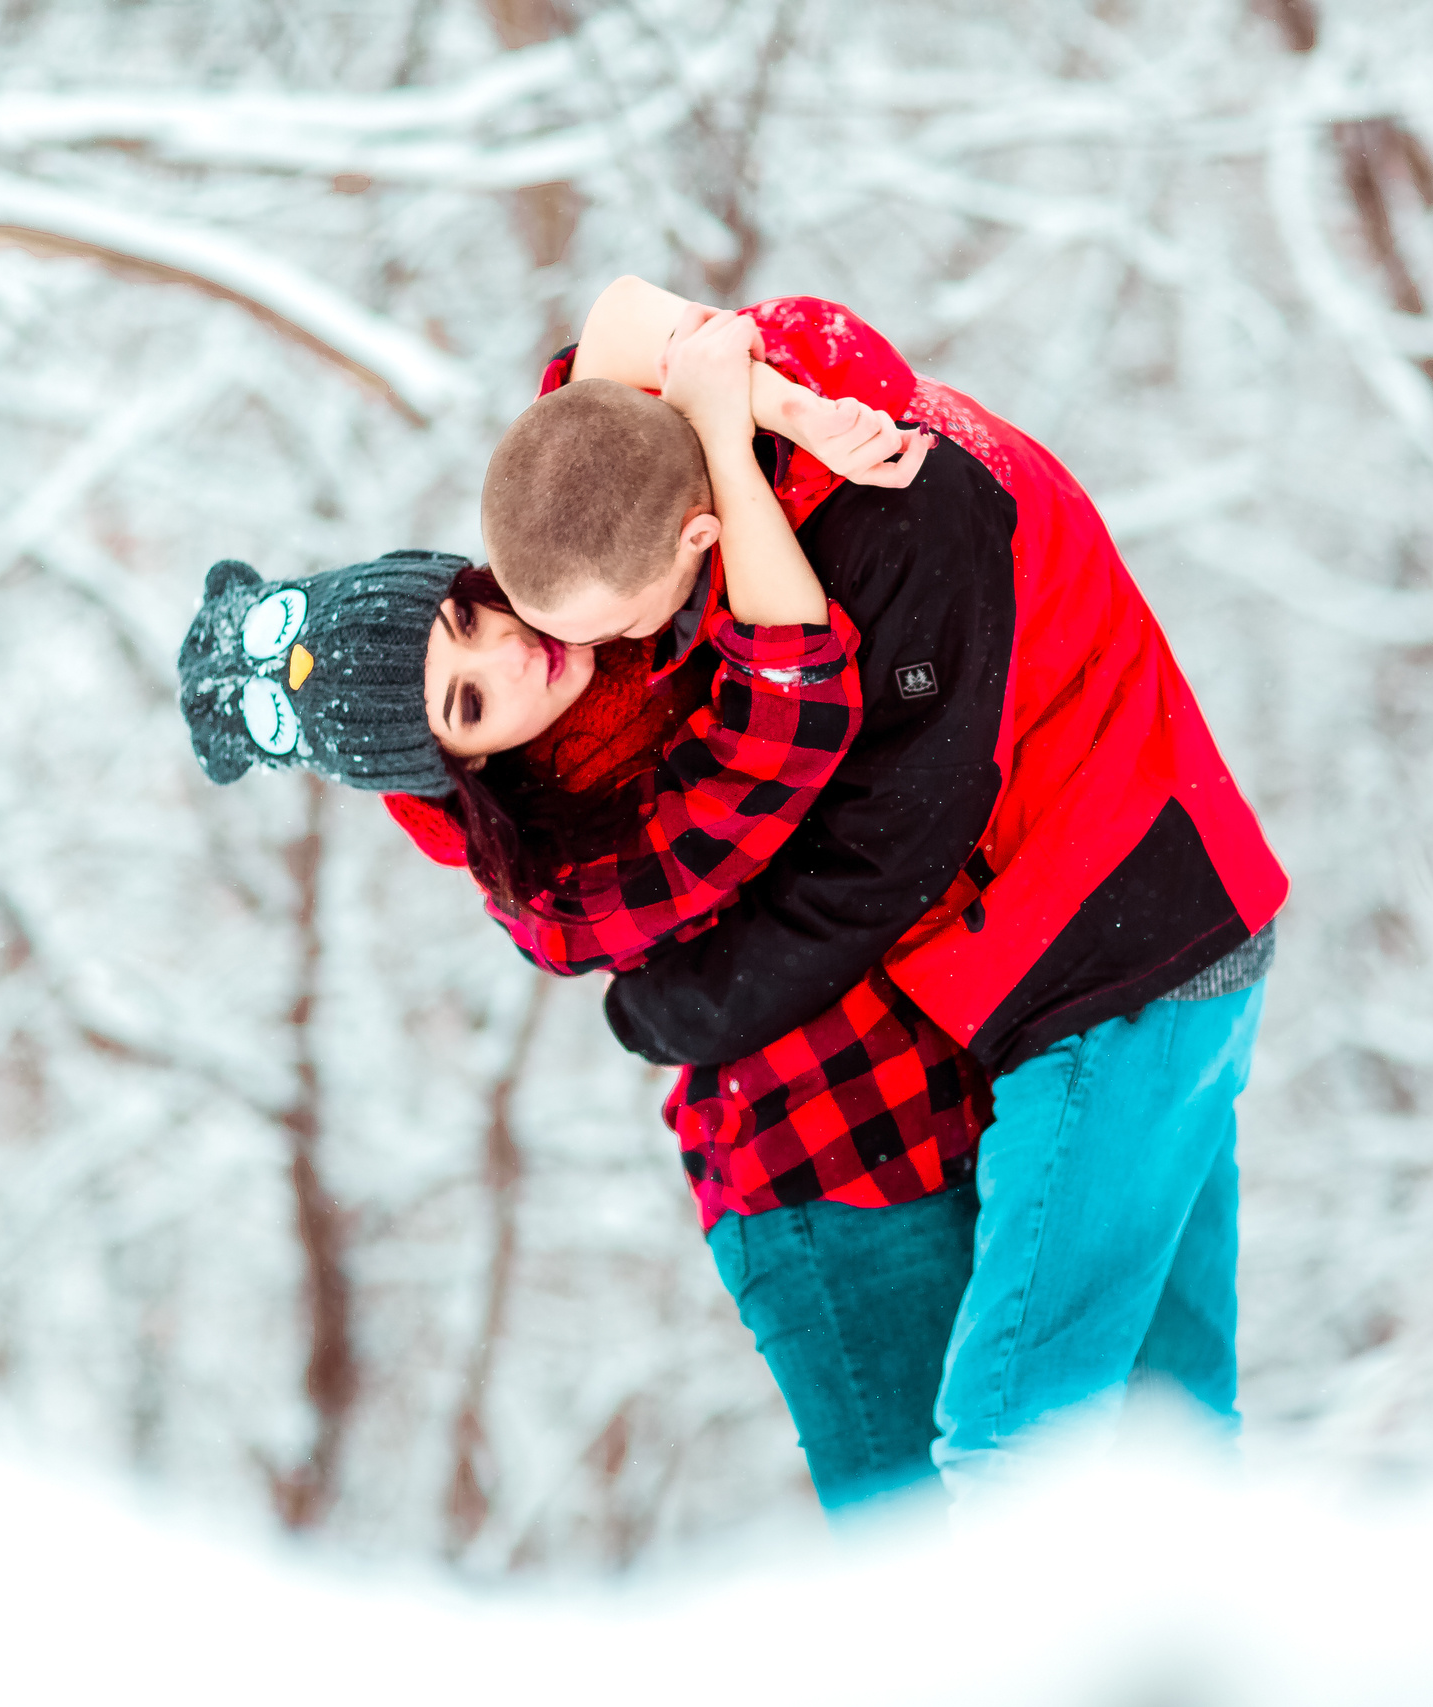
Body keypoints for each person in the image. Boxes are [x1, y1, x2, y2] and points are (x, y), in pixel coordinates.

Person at [481, 280, 1288, 1501]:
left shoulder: (906, 520)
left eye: (623, 626)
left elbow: (879, 862)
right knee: (1175, 1438)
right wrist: (758, 396)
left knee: (1012, 1440)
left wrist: (674, 1009)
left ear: (699, 538)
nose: (614, 665)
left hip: (1118, 954)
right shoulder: (626, 436)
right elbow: (616, 314)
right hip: (1115, 940)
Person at [178, 314, 986, 1519]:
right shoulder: (558, 895)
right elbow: (780, 733)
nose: (507, 658)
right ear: (452, 767)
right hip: (824, 1185)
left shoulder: (614, 604)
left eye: (466, 620)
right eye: (463, 704)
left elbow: (607, 357)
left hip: (963, 1092)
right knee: (939, 1551)